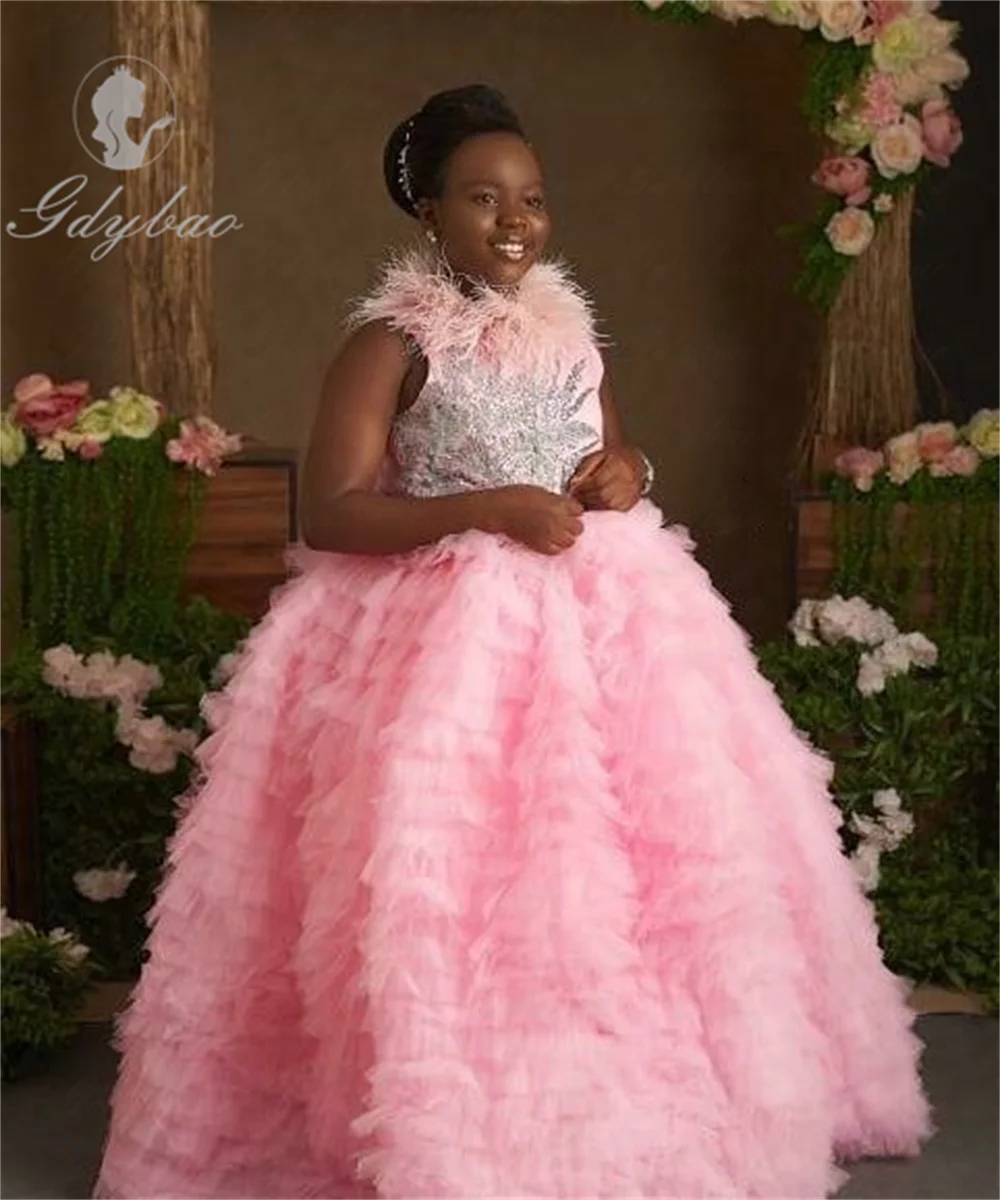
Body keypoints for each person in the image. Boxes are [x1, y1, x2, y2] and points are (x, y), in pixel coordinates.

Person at [94, 84, 930, 1200]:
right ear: (429, 212)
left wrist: (631, 475)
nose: (514, 222)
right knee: (463, 874)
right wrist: (484, 508)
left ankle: (614, 1107)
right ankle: (458, 1130)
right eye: (482, 199)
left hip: (614, 626)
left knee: (648, 869)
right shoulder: (390, 343)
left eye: (532, 200)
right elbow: (332, 511)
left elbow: (612, 457)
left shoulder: (571, 329)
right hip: (445, 640)